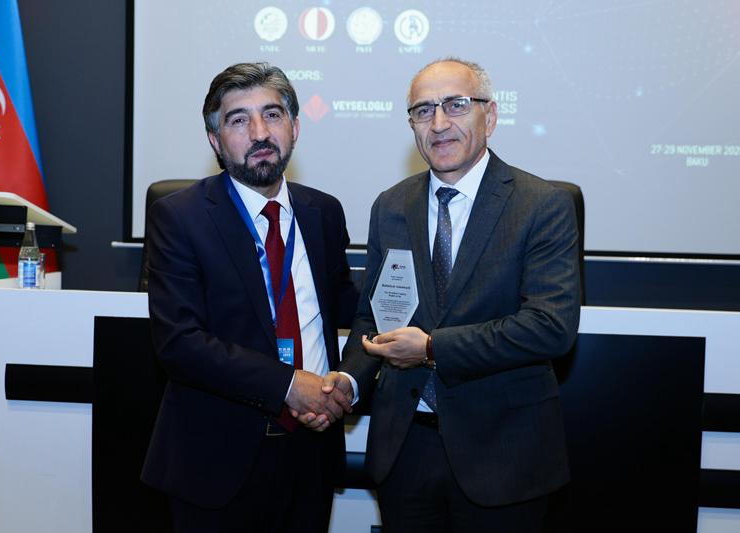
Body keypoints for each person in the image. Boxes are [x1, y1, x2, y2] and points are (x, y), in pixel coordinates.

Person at [326, 58, 581, 531]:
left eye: (456, 105)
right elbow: (374, 317)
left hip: (503, 453)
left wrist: (430, 349)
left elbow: (550, 327)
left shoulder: (542, 205)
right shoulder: (391, 206)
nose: (439, 123)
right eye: (423, 110)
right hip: (405, 451)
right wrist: (349, 381)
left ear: (491, 115)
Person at [141, 62, 359, 533]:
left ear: (295, 127)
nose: (260, 132)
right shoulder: (179, 217)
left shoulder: (323, 211)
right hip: (218, 460)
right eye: (239, 120)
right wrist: (288, 384)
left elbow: (346, 308)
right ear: (215, 140)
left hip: (311, 450)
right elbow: (180, 343)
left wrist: (341, 383)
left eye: (272, 115)